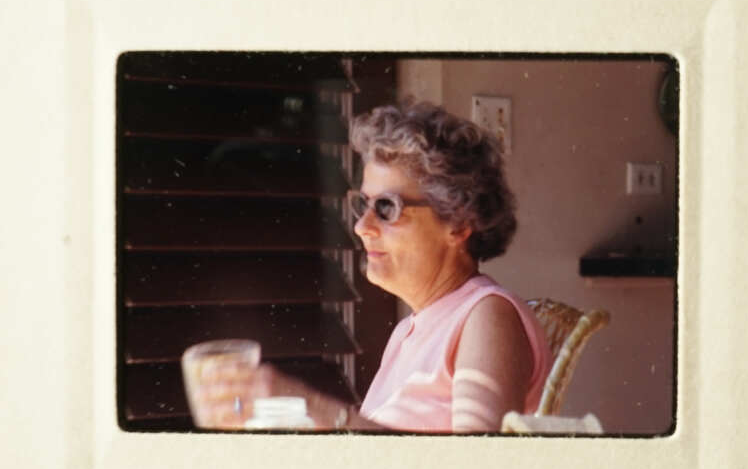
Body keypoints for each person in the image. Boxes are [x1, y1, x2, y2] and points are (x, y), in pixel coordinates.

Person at [193, 103, 552, 432]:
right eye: (363, 205)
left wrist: (315, 407)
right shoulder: (410, 330)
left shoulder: (486, 317)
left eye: (386, 207)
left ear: (458, 223)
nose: (361, 226)